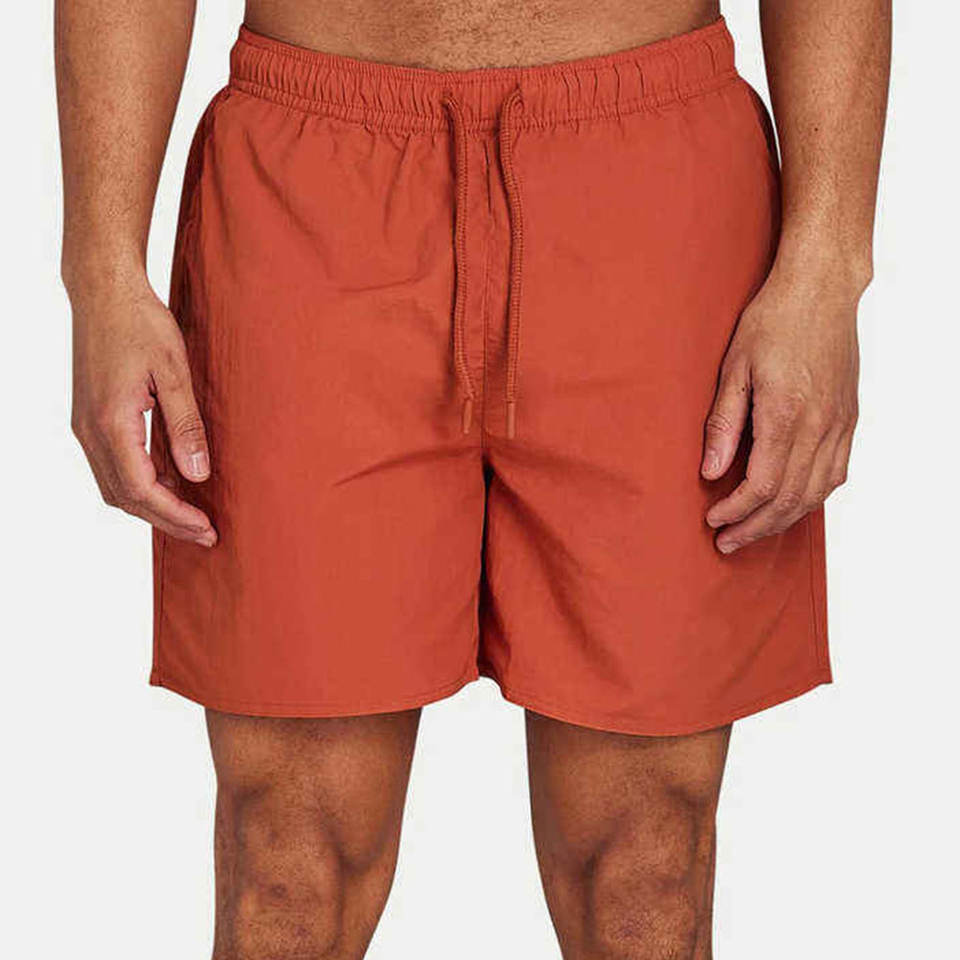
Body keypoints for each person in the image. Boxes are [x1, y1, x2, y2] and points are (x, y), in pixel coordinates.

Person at [55, 0, 889, 956]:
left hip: (653, 184)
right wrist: (101, 270)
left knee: (646, 865)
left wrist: (826, 267)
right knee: (288, 856)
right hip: (311, 181)